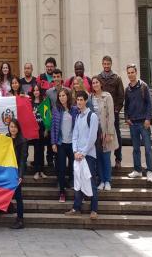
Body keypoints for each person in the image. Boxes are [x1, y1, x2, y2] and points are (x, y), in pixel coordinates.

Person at [66, 91, 99, 219]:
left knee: (91, 181)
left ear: (86, 101)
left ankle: (94, 210)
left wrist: (83, 153)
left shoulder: (92, 116)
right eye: (78, 100)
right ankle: (76, 207)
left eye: (81, 100)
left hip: (88, 155)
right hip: (78, 155)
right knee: (78, 181)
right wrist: (75, 152)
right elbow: (75, 135)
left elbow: (92, 138)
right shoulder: (78, 117)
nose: (79, 102)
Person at [124, 63, 152, 183]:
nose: (131, 74)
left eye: (132, 72)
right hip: (133, 123)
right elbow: (126, 105)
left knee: (147, 148)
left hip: (143, 123)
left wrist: (148, 119)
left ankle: (149, 171)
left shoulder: (143, 86)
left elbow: (150, 104)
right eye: (129, 73)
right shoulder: (127, 89)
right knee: (136, 148)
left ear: (136, 72)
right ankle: (137, 170)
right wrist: (127, 117)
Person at [51, 87, 78, 203]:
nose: (62, 98)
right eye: (60, 96)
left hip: (73, 144)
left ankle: (76, 191)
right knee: (61, 169)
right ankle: (62, 192)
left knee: (74, 167)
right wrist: (53, 143)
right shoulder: (56, 110)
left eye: (64, 95)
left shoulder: (74, 109)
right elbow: (53, 127)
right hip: (61, 143)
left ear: (68, 96)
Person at [91, 75, 118, 191]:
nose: (95, 84)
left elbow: (111, 115)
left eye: (97, 82)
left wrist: (110, 133)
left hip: (105, 131)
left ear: (101, 84)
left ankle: (107, 181)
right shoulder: (90, 97)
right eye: (93, 83)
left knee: (106, 157)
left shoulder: (107, 96)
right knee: (98, 158)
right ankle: (102, 180)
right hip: (95, 132)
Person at [99, 55, 125, 169]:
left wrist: (116, 110)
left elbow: (121, 96)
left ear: (111, 64)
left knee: (116, 135)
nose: (106, 66)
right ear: (102, 64)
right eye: (104, 64)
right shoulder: (99, 78)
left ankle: (118, 159)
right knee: (102, 135)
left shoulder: (117, 78)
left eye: (108, 64)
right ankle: (104, 159)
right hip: (102, 113)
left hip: (113, 113)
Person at [6, 118, 27, 229]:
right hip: (7, 170)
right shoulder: (6, 138)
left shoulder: (23, 141)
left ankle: (20, 220)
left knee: (18, 196)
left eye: (15, 127)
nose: (13, 129)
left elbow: (23, 159)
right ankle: (9, 207)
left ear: (18, 128)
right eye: (11, 127)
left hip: (16, 171)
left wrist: (20, 175)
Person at [29, 84, 51, 179]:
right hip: (34, 130)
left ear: (40, 91)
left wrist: (46, 129)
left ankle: (41, 171)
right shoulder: (30, 103)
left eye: (37, 90)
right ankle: (36, 171)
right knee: (36, 150)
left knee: (41, 150)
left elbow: (47, 117)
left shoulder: (44, 102)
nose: (36, 92)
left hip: (42, 130)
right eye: (34, 90)